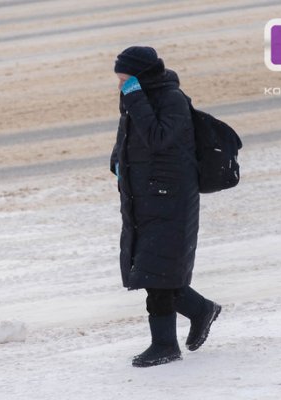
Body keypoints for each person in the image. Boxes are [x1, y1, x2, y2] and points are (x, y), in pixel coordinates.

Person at [110, 46, 221, 368]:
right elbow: (127, 139)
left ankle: (165, 345)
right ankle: (201, 310)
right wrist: (117, 163)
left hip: (170, 198)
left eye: (124, 78)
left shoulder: (170, 99)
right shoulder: (137, 99)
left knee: (156, 273)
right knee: (151, 270)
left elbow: (158, 137)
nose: (119, 84)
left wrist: (134, 97)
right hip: (142, 196)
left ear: (139, 75)